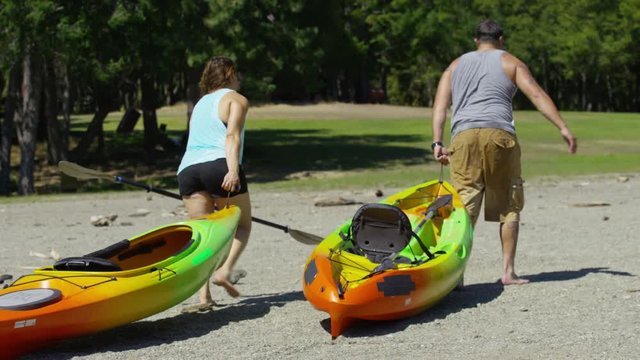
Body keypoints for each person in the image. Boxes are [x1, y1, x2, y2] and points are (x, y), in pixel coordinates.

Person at [431, 20, 577, 285]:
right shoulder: (512, 62)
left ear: (476, 40)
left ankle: (455, 276)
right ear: (501, 39)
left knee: (465, 204)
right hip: (500, 135)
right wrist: (563, 127)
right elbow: (535, 94)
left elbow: (440, 107)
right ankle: (507, 272)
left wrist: (437, 142)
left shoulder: (454, 66)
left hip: (463, 136)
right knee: (508, 203)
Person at [177, 56, 251, 309]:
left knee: (203, 235)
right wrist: (232, 171)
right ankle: (225, 271)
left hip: (187, 170)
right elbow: (231, 135)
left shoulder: (200, 104)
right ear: (230, 74)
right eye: (237, 73)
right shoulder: (236, 99)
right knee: (242, 225)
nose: (239, 78)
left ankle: (203, 296)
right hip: (219, 165)